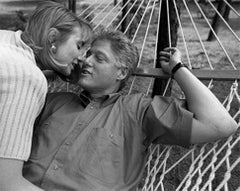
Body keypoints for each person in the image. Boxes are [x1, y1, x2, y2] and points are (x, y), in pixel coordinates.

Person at [23, 29, 238, 191]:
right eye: (87, 54)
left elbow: (220, 125)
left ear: (121, 72)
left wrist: (177, 69)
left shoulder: (139, 111)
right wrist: (51, 70)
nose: (85, 61)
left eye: (99, 58)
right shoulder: (53, 101)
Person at [0, 1, 92, 191]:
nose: (83, 57)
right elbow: (7, 183)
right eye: (79, 45)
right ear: (52, 39)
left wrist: (61, 70)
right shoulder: (25, 77)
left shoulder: (6, 39)